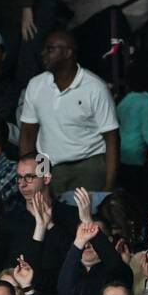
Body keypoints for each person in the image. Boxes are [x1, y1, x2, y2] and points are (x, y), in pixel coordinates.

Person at [19, 30, 119, 193]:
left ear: (68, 53)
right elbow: (28, 132)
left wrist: (109, 186)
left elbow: (112, 138)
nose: (43, 53)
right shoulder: (36, 85)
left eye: (50, 49)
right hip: (46, 163)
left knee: (85, 217)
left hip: (87, 165)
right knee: (48, 216)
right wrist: (29, 174)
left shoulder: (94, 87)